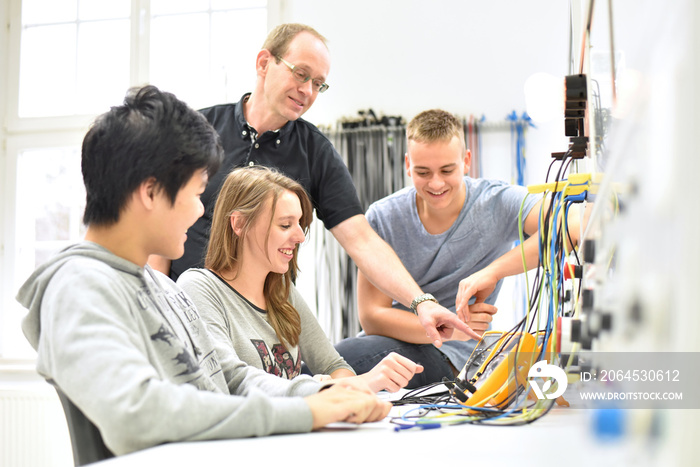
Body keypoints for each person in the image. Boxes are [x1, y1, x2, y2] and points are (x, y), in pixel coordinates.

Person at [16, 85, 390, 457]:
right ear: (150, 192)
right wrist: (304, 411)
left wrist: (322, 394)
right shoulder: (78, 286)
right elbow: (137, 413)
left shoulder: (165, 289)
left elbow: (230, 377)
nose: (200, 211)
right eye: (196, 194)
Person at [147, 23, 477, 346]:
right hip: (187, 314)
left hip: (264, 328)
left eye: (319, 83)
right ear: (264, 63)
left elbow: (361, 240)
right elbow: (160, 227)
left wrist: (421, 303)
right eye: (301, 74)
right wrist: (159, 312)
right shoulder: (197, 130)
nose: (308, 91)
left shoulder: (314, 151)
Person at [335, 109, 548, 388]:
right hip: (393, 341)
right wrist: (450, 331)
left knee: (337, 364)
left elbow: (571, 228)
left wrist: (492, 272)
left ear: (467, 161)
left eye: (447, 170)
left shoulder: (498, 202)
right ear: (408, 165)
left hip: (456, 358)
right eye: (423, 172)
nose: (436, 183)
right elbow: (373, 316)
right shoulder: (384, 216)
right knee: (330, 362)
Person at [177, 166, 423, 393]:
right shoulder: (199, 288)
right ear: (239, 223)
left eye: (299, 224)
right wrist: (325, 388)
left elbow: (334, 365)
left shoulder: (282, 290)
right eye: (285, 225)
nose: (299, 237)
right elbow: (230, 378)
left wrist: (335, 383)